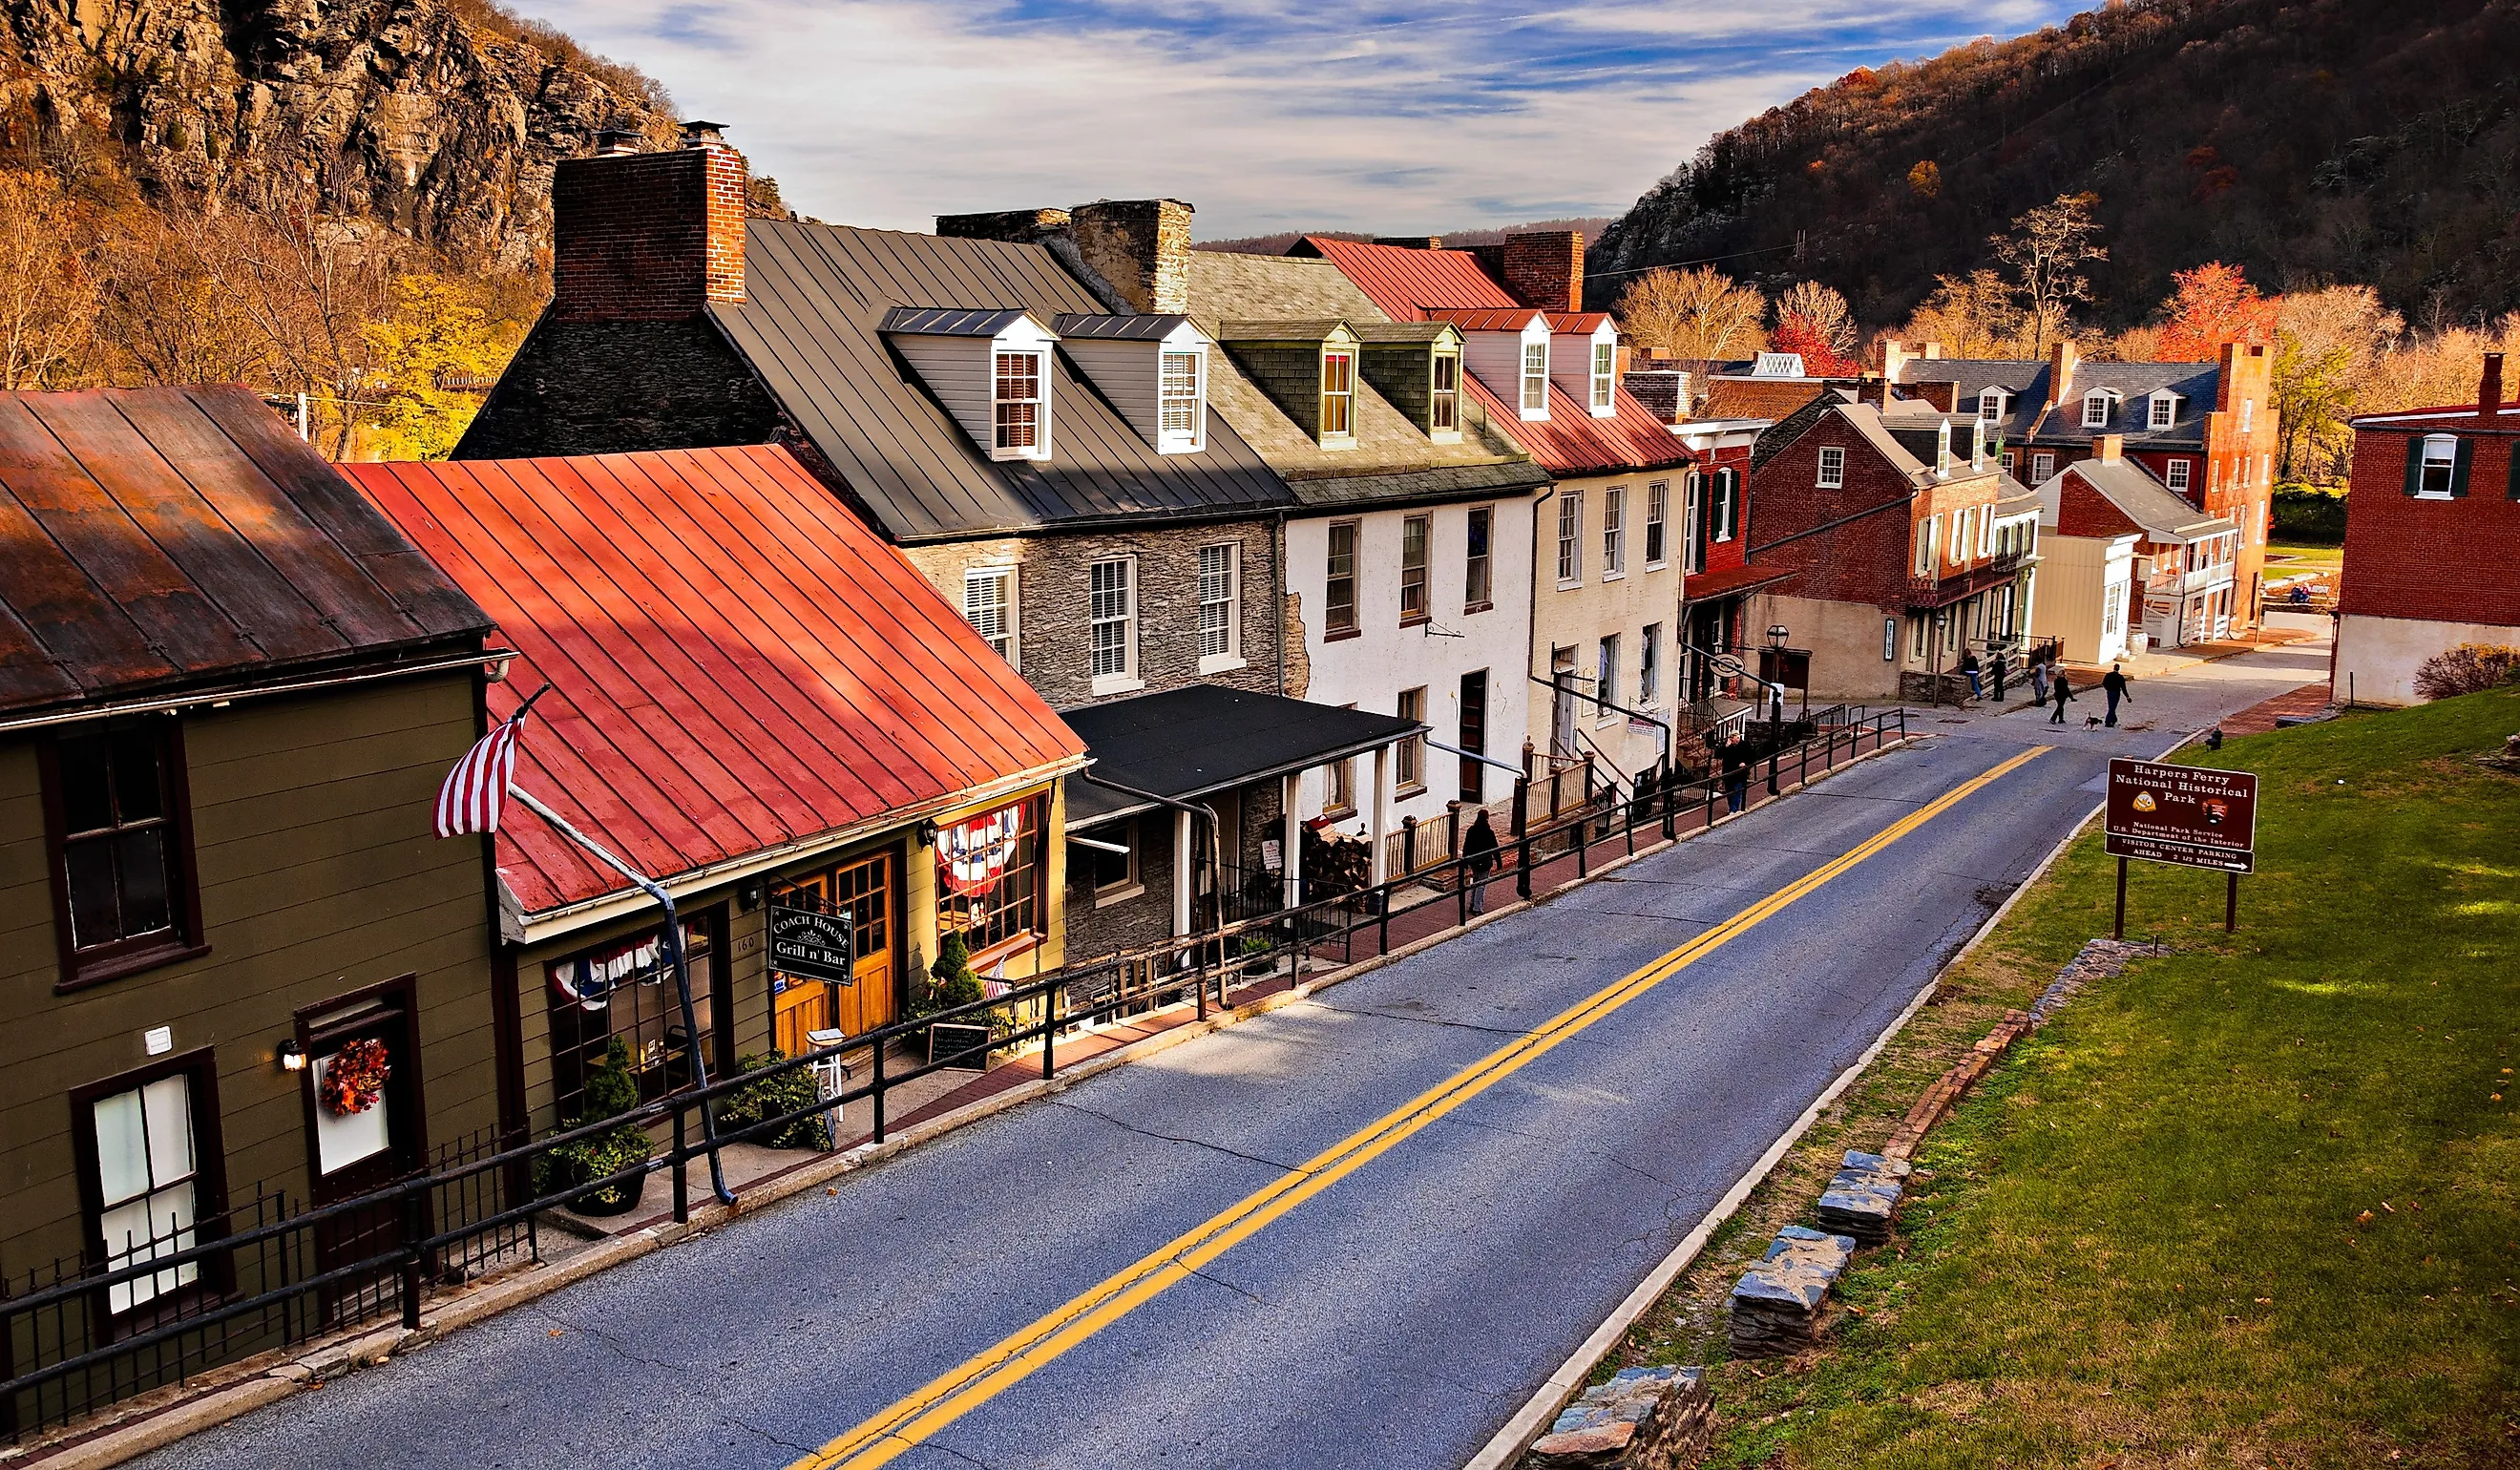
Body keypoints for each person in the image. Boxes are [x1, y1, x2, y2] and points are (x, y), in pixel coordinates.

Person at [1460, 809, 1501, 914]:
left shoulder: (1471, 830)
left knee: (1475, 881)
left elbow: (1466, 846)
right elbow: (1495, 848)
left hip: (1474, 861)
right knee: (1481, 884)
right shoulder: (1489, 832)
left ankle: (1472, 904)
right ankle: (1477, 908)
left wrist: (1465, 860)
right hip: (1485, 862)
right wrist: (1499, 861)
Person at [2101, 662, 2132, 727]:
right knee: (2112, 707)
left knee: (2111, 707)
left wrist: (2108, 689)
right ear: (2119, 669)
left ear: (2113, 668)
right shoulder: (2120, 677)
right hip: (2116, 693)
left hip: (2109, 692)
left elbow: (2103, 683)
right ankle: (2108, 722)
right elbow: (2123, 688)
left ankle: (2114, 719)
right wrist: (2127, 697)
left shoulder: (2108, 675)